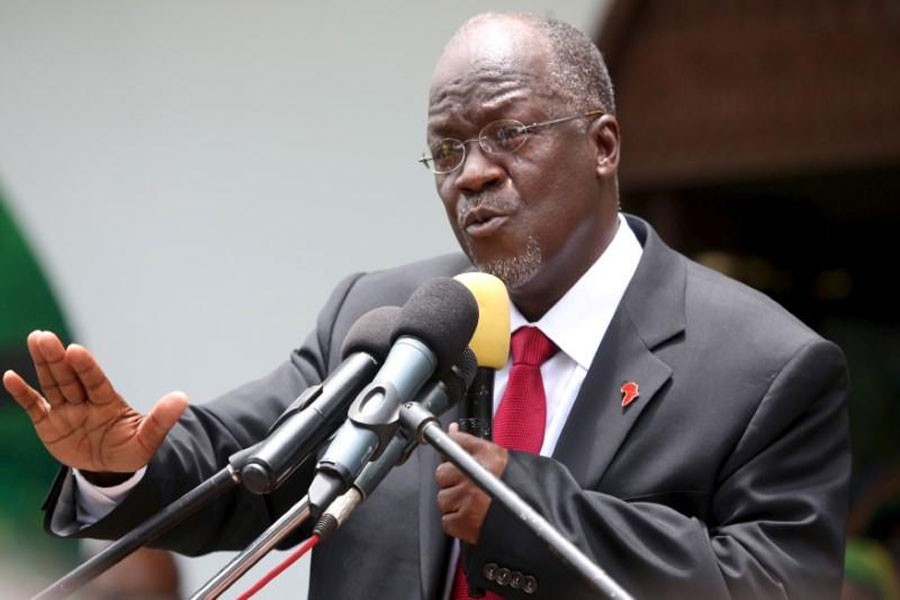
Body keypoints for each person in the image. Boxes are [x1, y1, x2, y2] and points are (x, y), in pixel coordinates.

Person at [2, 12, 850, 599]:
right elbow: (245, 461)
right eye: (447, 150)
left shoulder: (763, 365)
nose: (472, 173)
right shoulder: (388, 314)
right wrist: (122, 465)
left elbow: (778, 586)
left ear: (603, 144)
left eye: (509, 135)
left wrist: (528, 512)